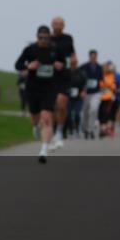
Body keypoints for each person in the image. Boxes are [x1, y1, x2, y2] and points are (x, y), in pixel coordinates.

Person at [15, 25, 66, 164]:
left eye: (46, 38)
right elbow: (17, 65)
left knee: (46, 118)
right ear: (37, 37)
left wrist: (60, 66)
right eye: (40, 37)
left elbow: (63, 65)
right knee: (35, 118)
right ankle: (35, 127)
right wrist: (28, 66)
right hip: (33, 88)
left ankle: (44, 150)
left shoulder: (55, 50)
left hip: (49, 88)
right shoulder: (30, 50)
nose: (43, 40)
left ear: (49, 38)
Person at [50, 17, 76, 150]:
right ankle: (53, 130)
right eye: (55, 24)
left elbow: (72, 54)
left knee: (61, 104)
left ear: (64, 26)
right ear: (52, 25)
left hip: (65, 75)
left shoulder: (68, 38)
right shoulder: (47, 39)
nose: (58, 26)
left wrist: (73, 60)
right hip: (51, 76)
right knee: (53, 105)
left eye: (60, 24)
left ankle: (60, 130)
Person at [80, 49, 104, 139]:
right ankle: (85, 129)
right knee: (85, 112)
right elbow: (79, 79)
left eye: (95, 56)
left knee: (93, 110)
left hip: (96, 93)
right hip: (86, 93)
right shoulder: (83, 67)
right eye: (92, 56)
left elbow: (101, 80)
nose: (93, 58)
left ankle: (91, 130)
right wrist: (81, 90)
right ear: (89, 57)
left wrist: (103, 90)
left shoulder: (99, 67)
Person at [65, 57, 87, 139]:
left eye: (75, 62)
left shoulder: (81, 72)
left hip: (78, 96)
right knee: (68, 114)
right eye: (72, 62)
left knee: (77, 114)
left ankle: (77, 129)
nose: (73, 63)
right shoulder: (66, 72)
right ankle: (70, 130)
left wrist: (83, 91)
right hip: (68, 96)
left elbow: (85, 84)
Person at [99, 62, 118, 138]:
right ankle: (103, 129)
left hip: (108, 98)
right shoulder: (101, 76)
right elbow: (100, 85)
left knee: (106, 113)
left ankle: (104, 129)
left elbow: (113, 86)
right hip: (100, 97)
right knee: (100, 113)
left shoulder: (111, 76)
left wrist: (108, 85)